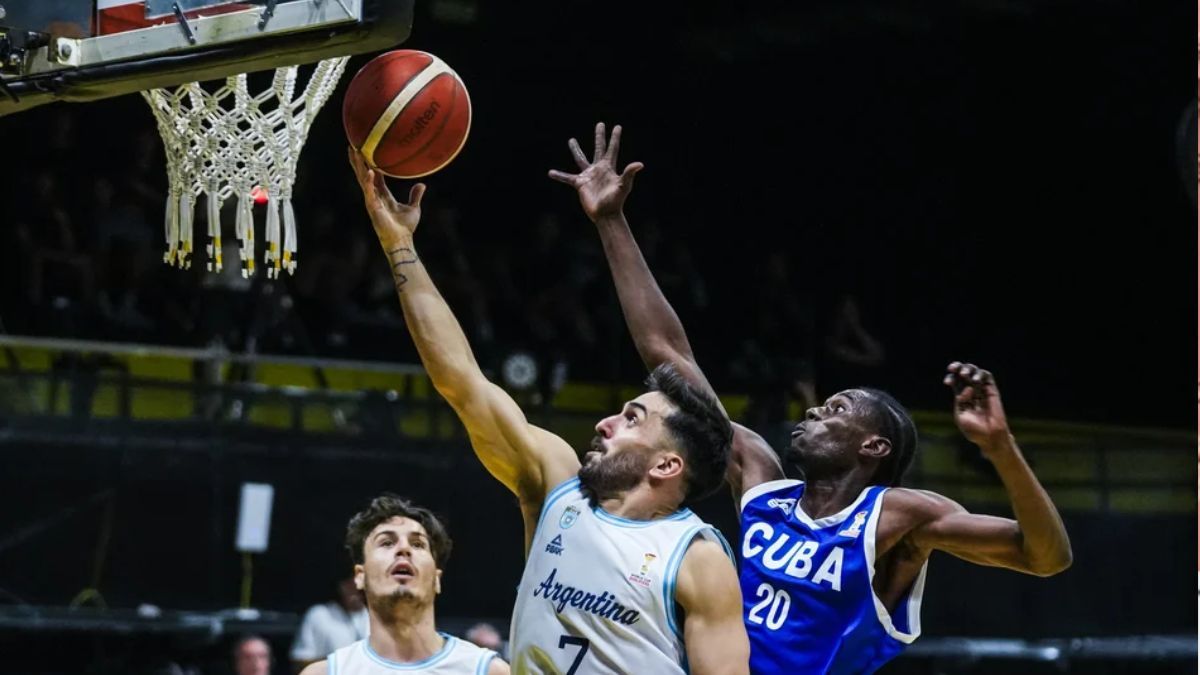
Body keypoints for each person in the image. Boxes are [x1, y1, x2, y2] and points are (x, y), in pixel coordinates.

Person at [551, 122, 1074, 674]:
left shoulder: (899, 518)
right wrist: (611, 222)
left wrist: (1000, 447)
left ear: (873, 447)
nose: (817, 409)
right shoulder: (763, 488)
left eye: (839, 408)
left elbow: (1046, 557)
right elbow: (667, 354)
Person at [346, 147, 750, 675]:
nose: (606, 422)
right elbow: (462, 382)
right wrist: (399, 245)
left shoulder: (697, 558)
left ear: (668, 465)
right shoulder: (558, 483)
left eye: (633, 419)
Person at [299, 495, 507, 674]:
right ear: (360, 576)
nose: (403, 549)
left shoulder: (489, 671)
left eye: (418, 544)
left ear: (436, 578)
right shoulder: (327, 672)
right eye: (387, 542)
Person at [290, 577, 369, 672]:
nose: (357, 590)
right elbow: (299, 661)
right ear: (341, 587)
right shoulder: (319, 614)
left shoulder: (380, 616)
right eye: (351, 585)